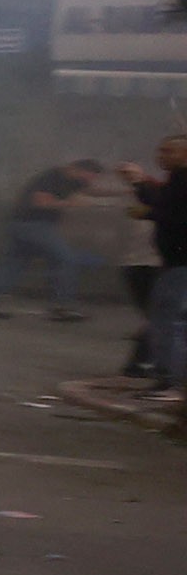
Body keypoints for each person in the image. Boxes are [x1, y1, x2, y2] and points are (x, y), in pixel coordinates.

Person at [0, 159, 100, 320]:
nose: (91, 180)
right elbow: (40, 202)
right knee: (65, 259)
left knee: (13, 264)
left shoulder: (74, 181)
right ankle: (63, 307)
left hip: (21, 226)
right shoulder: (52, 176)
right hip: (34, 225)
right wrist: (70, 204)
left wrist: (128, 191)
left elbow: (95, 192)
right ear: (80, 169)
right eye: (91, 176)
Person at [123, 135, 187, 402]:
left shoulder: (183, 179)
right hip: (174, 261)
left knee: (166, 320)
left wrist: (140, 185)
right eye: (161, 150)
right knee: (172, 320)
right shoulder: (177, 179)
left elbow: (172, 212)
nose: (162, 155)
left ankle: (169, 383)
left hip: (180, 262)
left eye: (170, 151)